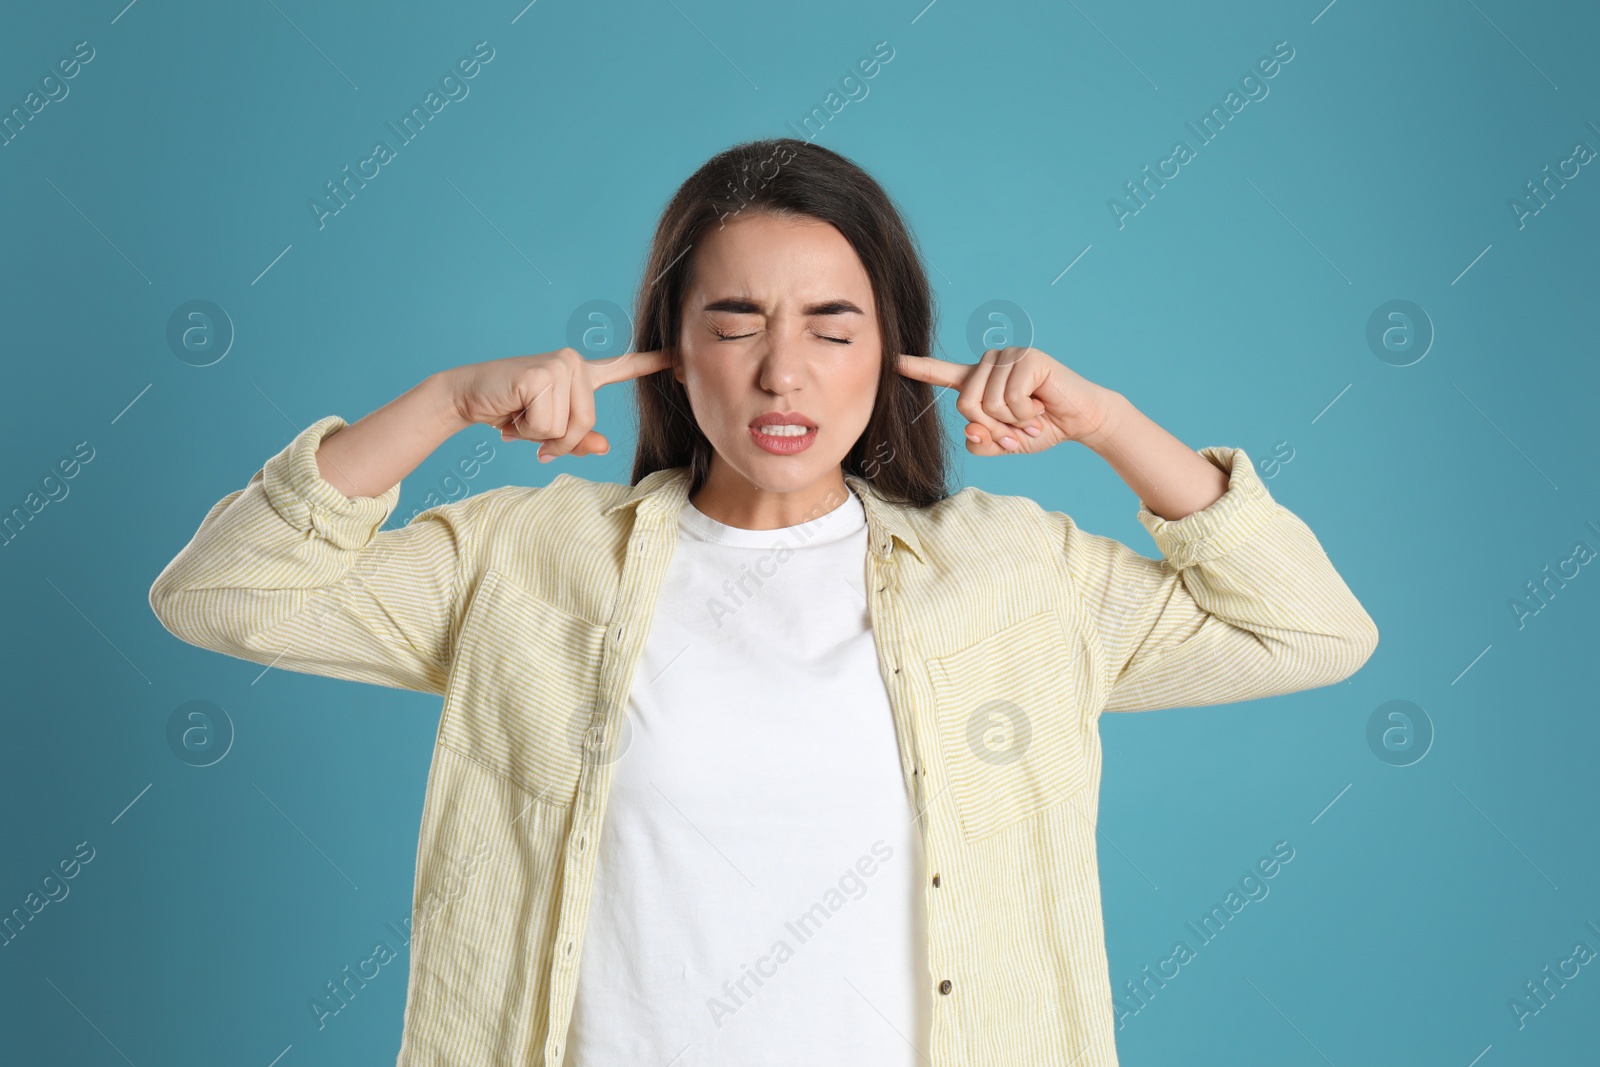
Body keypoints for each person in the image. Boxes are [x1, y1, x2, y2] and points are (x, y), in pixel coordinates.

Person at [148, 137, 1378, 1067]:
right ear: (671, 350)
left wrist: (1109, 424)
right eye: (734, 322)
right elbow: (220, 594)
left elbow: (1311, 629)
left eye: (832, 329)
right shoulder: (527, 561)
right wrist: (445, 401)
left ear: (894, 351)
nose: (782, 370)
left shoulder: (1013, 577)